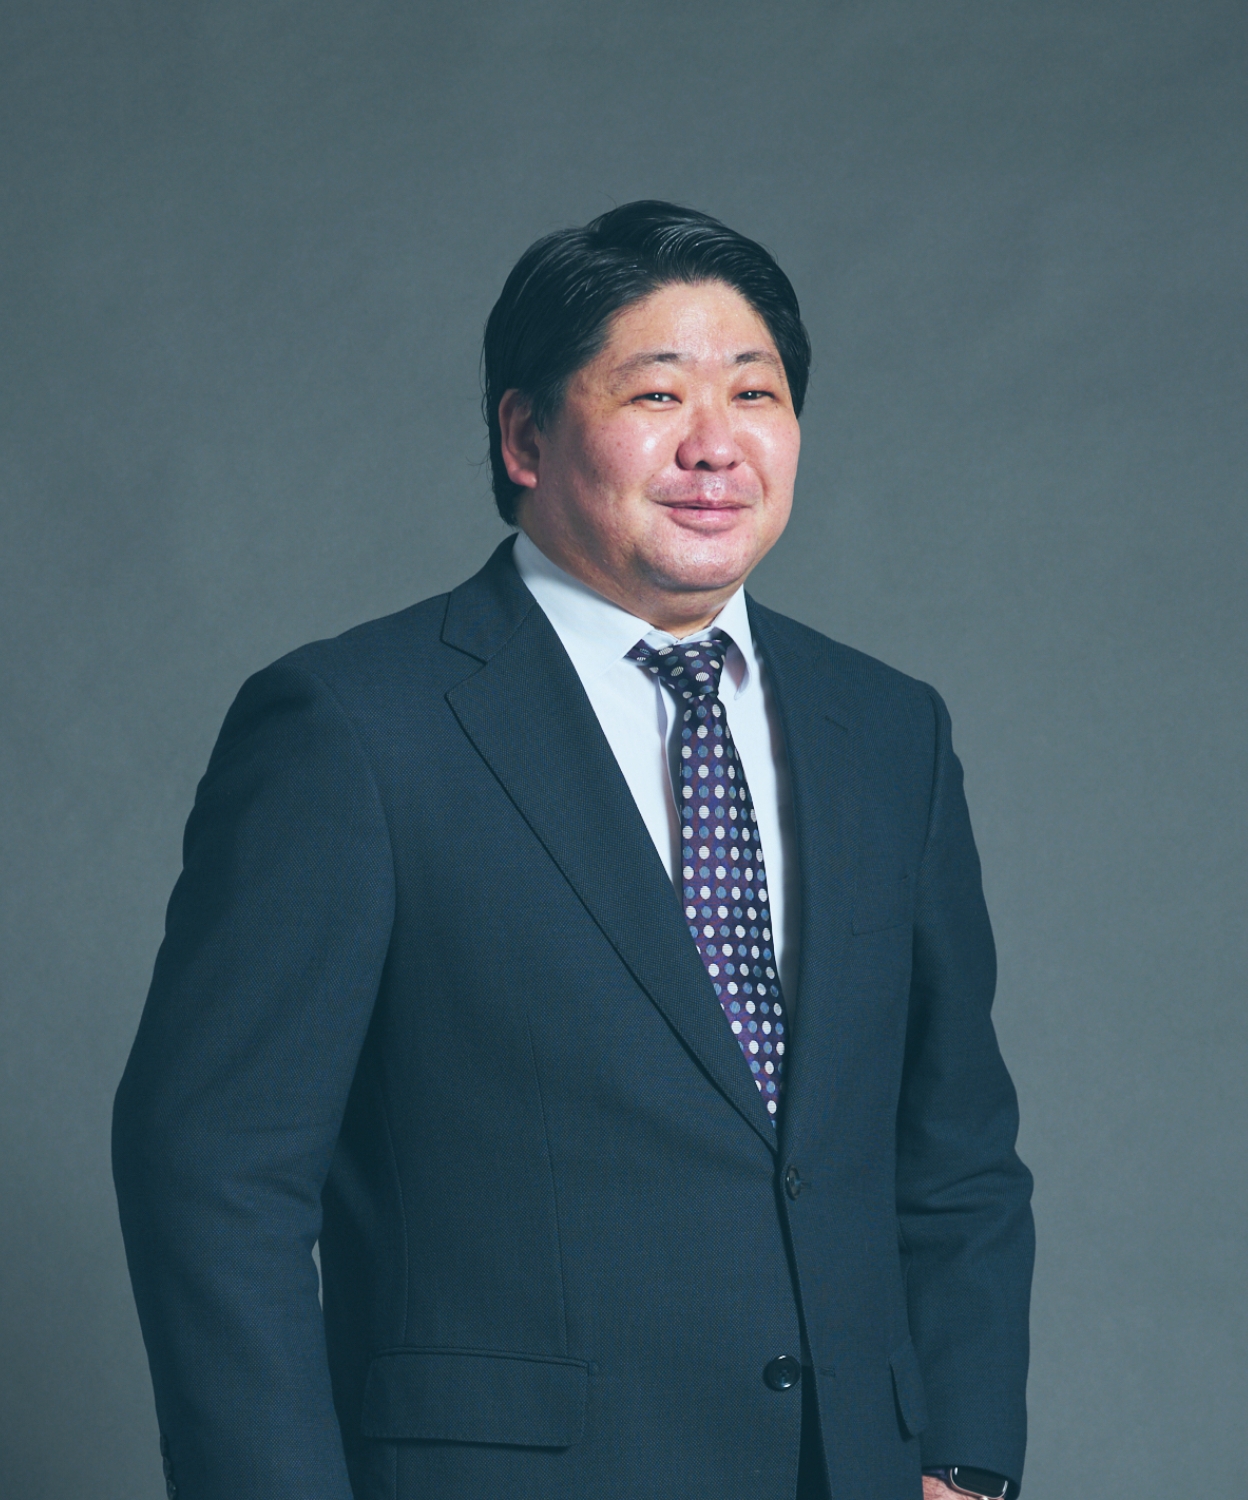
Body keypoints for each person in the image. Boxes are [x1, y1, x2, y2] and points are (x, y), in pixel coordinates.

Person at [113, 201, 1033, 1500]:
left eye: (756, 393)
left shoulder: (887, 728)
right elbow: (216, 1173)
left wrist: (964, 1462)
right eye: (656, 394)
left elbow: (956, 1146)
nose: (716, 443)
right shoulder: (354, 727)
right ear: (525, 436)